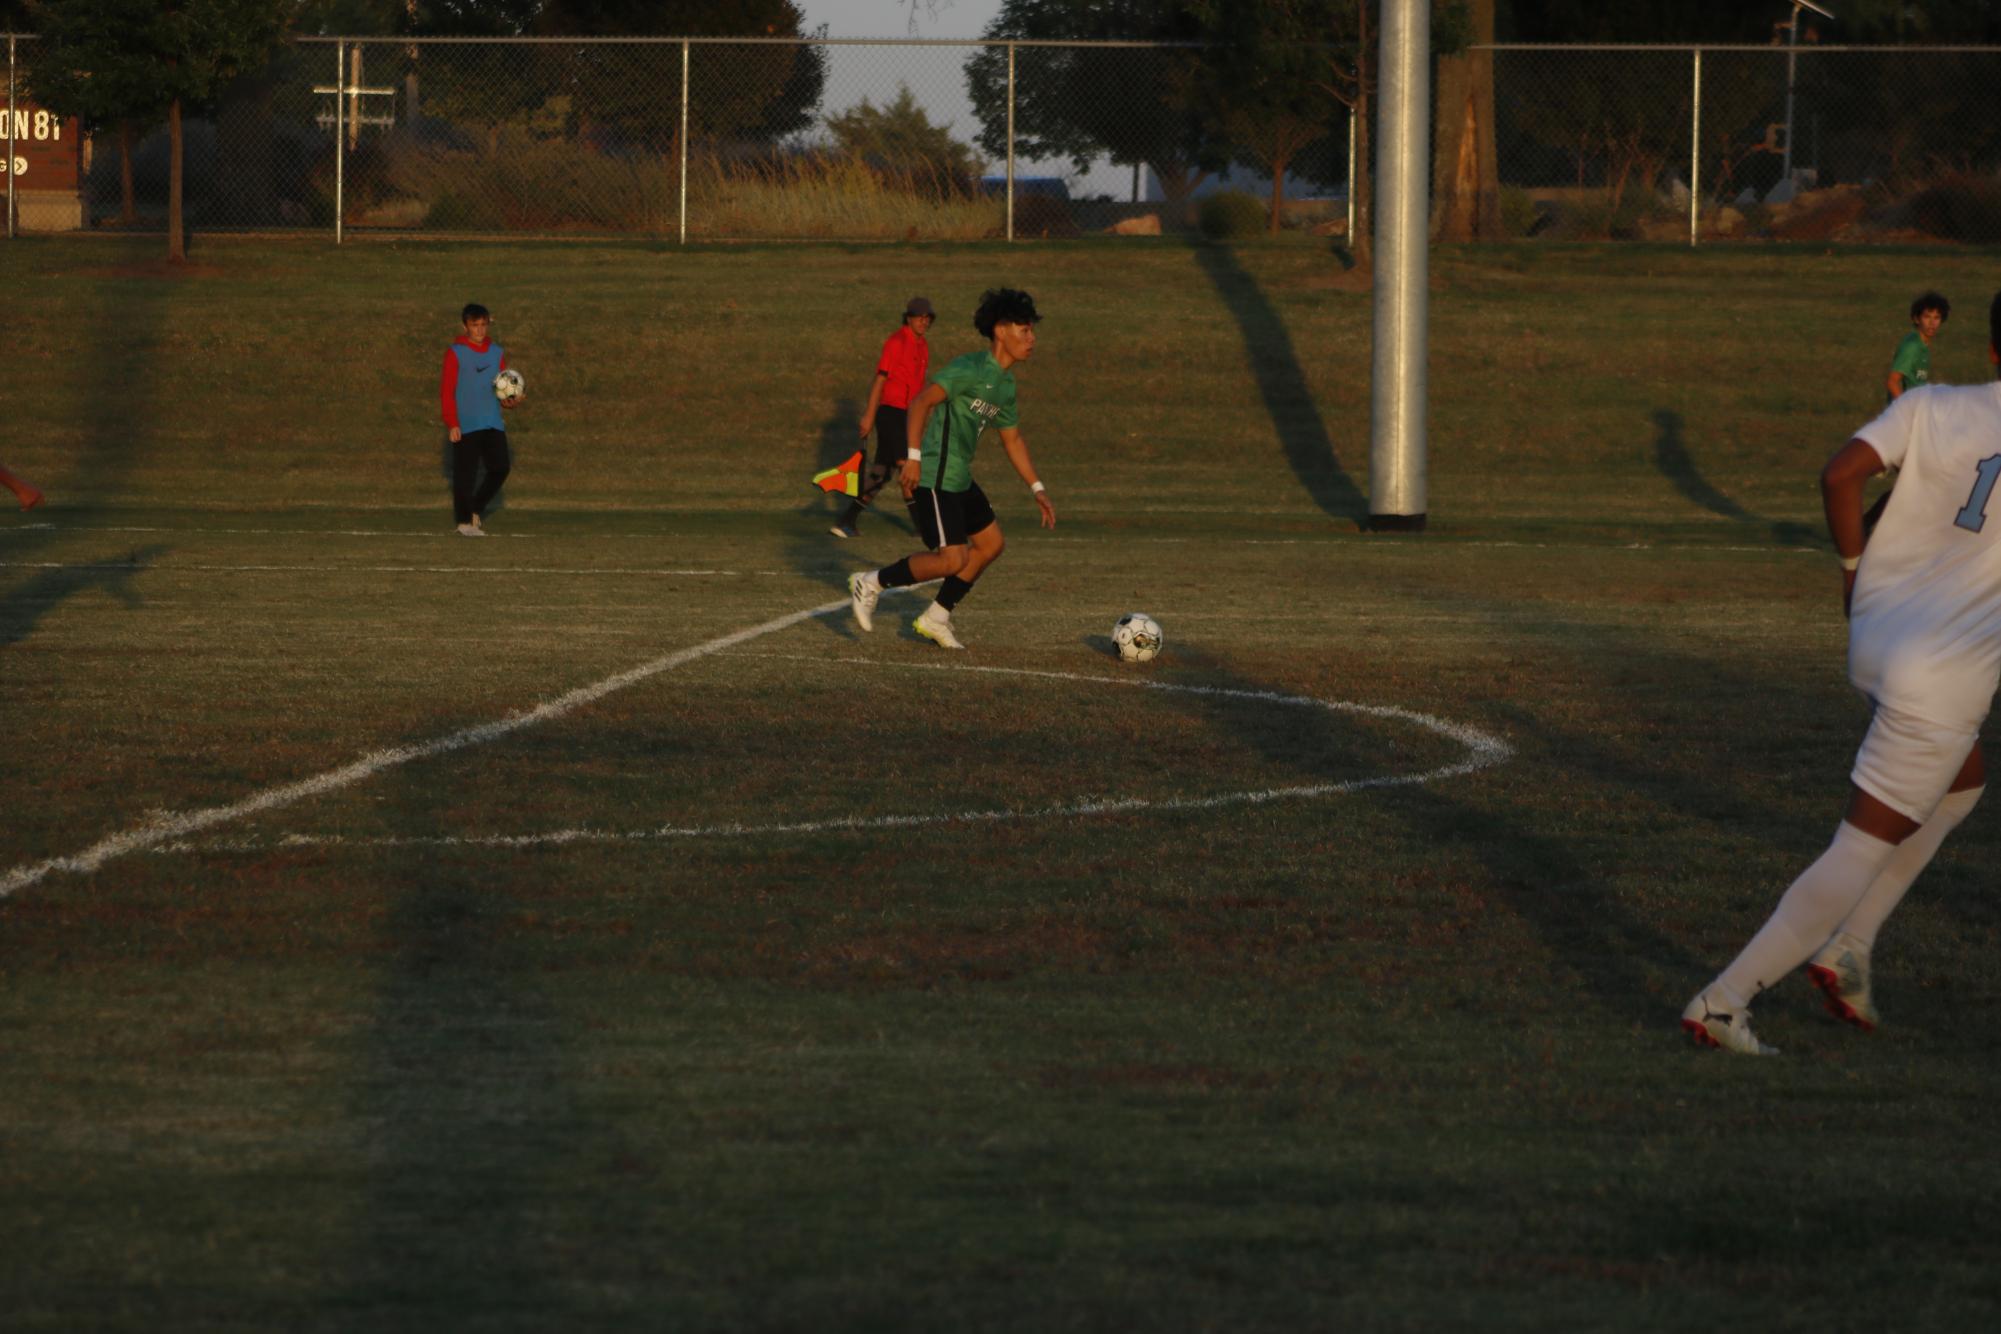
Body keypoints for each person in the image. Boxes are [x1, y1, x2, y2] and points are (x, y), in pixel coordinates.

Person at [1681, 291, 2001, 1056]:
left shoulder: (1931, 404)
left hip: (1874, 635)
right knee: (1857, 848)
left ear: (1990, 349)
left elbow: (1839, 475)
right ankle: (1724, 1003)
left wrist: (1854, 568)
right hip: (1941, 677)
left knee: (1962, 785)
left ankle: (1849, 942)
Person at [846, 288, 1054, 650]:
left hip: (960, 477)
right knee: (952, 558)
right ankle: (872, 582)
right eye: (1024, 330)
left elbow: (1013, 441)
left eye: (1032, 331)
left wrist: (1037, 488)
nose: (1031, 338)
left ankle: (936, 616)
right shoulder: (969, 368)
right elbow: (921, 402)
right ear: (1000, 330)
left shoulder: (1005, 385)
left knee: (991, 545)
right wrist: (912, 456)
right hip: (936, 475)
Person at [831, 296, 934, 540]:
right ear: (908, 318)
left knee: (880, 473)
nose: (923, 321)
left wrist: (922, 414)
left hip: (908, 415)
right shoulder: (896, 342)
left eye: (927, 318)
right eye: (919, 317)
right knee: (906, 466)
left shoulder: (923, 346)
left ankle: (847, 521)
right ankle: (922, 526)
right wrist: (869, 415)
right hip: (890, 412)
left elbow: (919, 386)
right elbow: (881, 379)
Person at [441, 302, 519, 537]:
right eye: (475, 325)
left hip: (492, 421)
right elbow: (447, 391)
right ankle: (465, 522)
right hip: (466, 423)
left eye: (483, 325)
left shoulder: (497, 352)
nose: (480, 330)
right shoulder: (455, 353)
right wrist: (452, 422)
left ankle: (475, 507)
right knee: (466, 473)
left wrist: (510, 401)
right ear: (465, 326)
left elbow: (503, 388)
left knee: (500, 467)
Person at [1888, 291, 1948, 400]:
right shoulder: (1912, 346)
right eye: (1927, 317)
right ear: (1916, 319)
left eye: (1936, 318)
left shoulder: (1922, 345)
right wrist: (1906, 409)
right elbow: (1893, 382)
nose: (1932, 323)